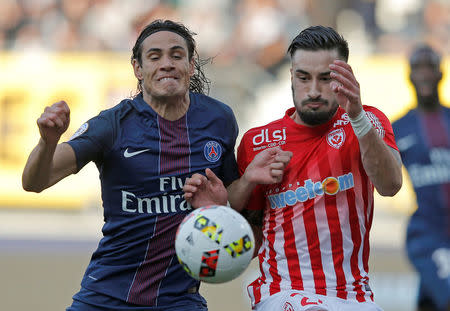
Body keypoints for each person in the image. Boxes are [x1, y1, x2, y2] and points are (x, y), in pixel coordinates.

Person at [21, 19, 291, 311]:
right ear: (138, 68)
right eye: (155, 56)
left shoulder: (218, 119)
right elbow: (35, 182)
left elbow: (225, 207)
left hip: (179, 300)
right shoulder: (112, 125)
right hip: (105, 298)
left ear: (190, 65)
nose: (167, 64)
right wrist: (48, 142)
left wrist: (248, 179)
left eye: (176, 55)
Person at [184, 25, 403, 311]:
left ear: (345, 76)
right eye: (303, 77)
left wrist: (357, 116)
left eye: (326, 79)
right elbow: (250, 238)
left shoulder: (368, 122)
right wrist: (222, 210)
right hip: (284, 293)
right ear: (291, 77)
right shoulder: (257, 142)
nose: (313, 90)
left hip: (356, 298)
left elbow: (391, 185)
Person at [392, 45, 450, 311]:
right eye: (418, 68)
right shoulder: (399, 128)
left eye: (430, 67)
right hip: (428, 233)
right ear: (410, 76)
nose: (425, 74)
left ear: (441, 74)